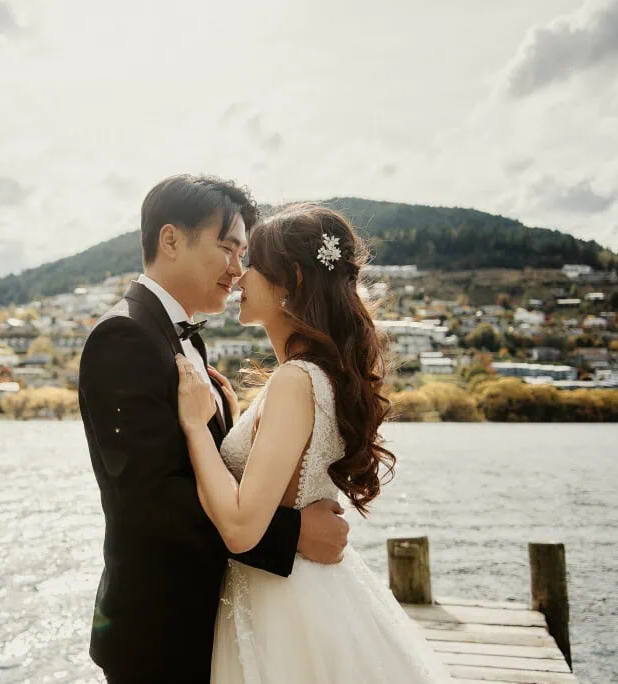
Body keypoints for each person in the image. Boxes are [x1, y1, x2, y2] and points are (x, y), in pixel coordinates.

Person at [78, 176, 350, 683]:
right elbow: (151, 498)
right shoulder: (125, 336)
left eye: (244, 253)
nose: (238, 269)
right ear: (171, 239)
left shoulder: (186, 342)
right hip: (160, 629)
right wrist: (292, 535)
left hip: (221, 619)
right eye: (227, 248)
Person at [175, 202, 454, 682]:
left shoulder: (294, 381)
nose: (239, 276)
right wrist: (239, 421)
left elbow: (242, 528)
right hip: (311, 593)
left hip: (281, 607)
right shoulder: (316, 376)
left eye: (254, 265)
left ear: (293, 283)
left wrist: (196, 425)